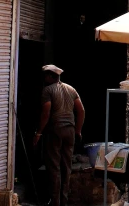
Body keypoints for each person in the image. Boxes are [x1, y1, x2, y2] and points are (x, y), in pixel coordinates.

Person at [33, 64, 85, 206]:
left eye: (46, 76)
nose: (44, 78)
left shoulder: (47, 91)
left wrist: (39, 132)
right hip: (70, 131)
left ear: (50, 76)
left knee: (54, 166)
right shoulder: (71, 89)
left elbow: (46, 113)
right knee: (66, 166)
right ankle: (64, 200)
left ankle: (55, 201)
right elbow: (81, 111)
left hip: (55, 130)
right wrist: (78, 130)